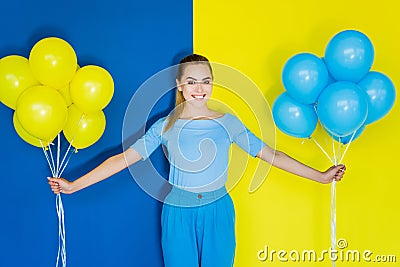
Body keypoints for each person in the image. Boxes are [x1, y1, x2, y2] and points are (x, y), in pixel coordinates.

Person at [48, 54, 345, 267]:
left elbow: (271, 155)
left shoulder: (229, 123)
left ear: (212, 84)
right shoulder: (165, 126)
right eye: (191, 81)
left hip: (218, 209)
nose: (199, 87)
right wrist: (74, 185)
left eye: (205, 81)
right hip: (178, 211)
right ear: (179, 85)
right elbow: (123, 160)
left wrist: (320, 176)